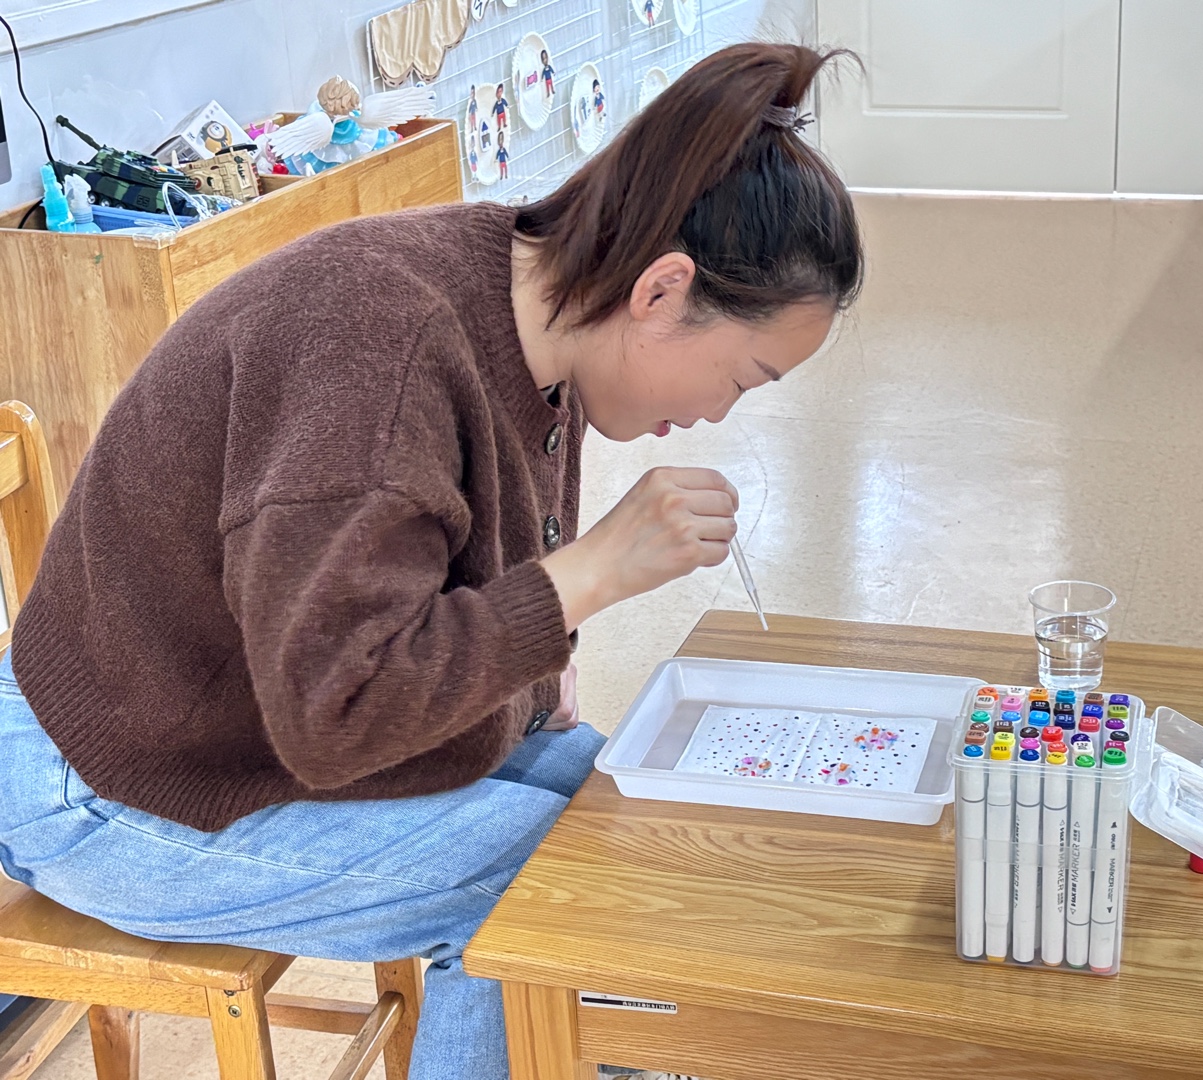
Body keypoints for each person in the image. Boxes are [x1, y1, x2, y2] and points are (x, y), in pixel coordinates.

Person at [0, 42, 862, 1080]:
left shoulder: (541, 308)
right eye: (743, 378)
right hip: (115, 777)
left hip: (250, 717)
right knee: (532, 896)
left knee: (642, 824)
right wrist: (589, 574)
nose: (721, 411)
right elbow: (336, 715)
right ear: (662, 290)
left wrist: (539, 677)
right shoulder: (380, 350)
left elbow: (458, 581)